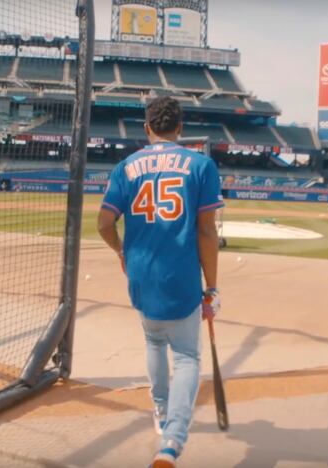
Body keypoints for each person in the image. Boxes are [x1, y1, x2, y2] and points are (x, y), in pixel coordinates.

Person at [97, 97, 223, 468]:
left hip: (140, 274)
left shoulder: (126, 166)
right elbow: (206, 230)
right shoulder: (201, 164)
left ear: (147, 128)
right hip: (180, 276)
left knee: (153, 340)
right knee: (186, 356)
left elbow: (104, 223)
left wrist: (122, 252)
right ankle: (172, 440)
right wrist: (212, 288)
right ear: (180, 128)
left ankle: (161, 411)